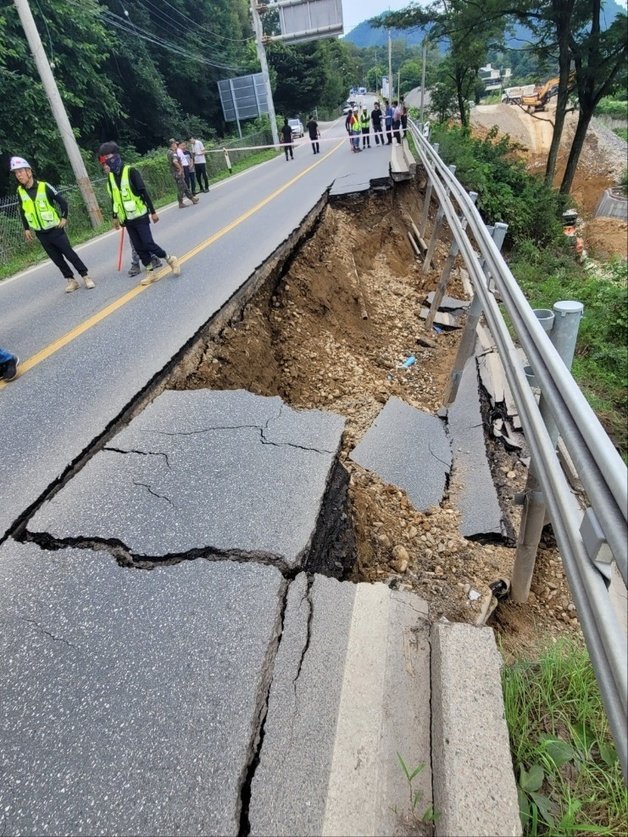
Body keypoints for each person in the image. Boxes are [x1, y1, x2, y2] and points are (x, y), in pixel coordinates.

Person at [98, 141, 180, 286]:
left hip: (140, 215)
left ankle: (170, 259)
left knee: (148, 243)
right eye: (103, 158)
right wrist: (115, 217)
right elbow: (114, 200)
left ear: (116, 156)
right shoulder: (110, 178)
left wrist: (153, 212)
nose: (105, 161)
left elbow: (144, 193)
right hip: (127, 219)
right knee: (138, 246)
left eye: (108, 156)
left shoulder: (131, 172)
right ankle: (150, 272)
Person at [11, 156, 95, 294]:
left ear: (29, 172)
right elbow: (23, 210)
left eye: (21, 171)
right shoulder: (20, 192)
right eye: (16, 173)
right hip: (40, 232)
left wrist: (64, 218)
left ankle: (85, 276)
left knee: (69, 254)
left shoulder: (44, 186)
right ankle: (71, 280)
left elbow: (63, 202)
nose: (18, 175)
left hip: (55, 230)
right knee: (56, 259)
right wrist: (26, 228)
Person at [167, 138, 198, 208]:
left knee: (184, 186)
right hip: (177, 172)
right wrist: (180, 169)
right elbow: (175, 162)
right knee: (181, 188)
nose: (176, 145)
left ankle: (192, 199)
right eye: (175, 144)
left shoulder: (168, 152)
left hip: (175, 172)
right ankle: (180, 202)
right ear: (172, 144)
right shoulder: (173, 153)